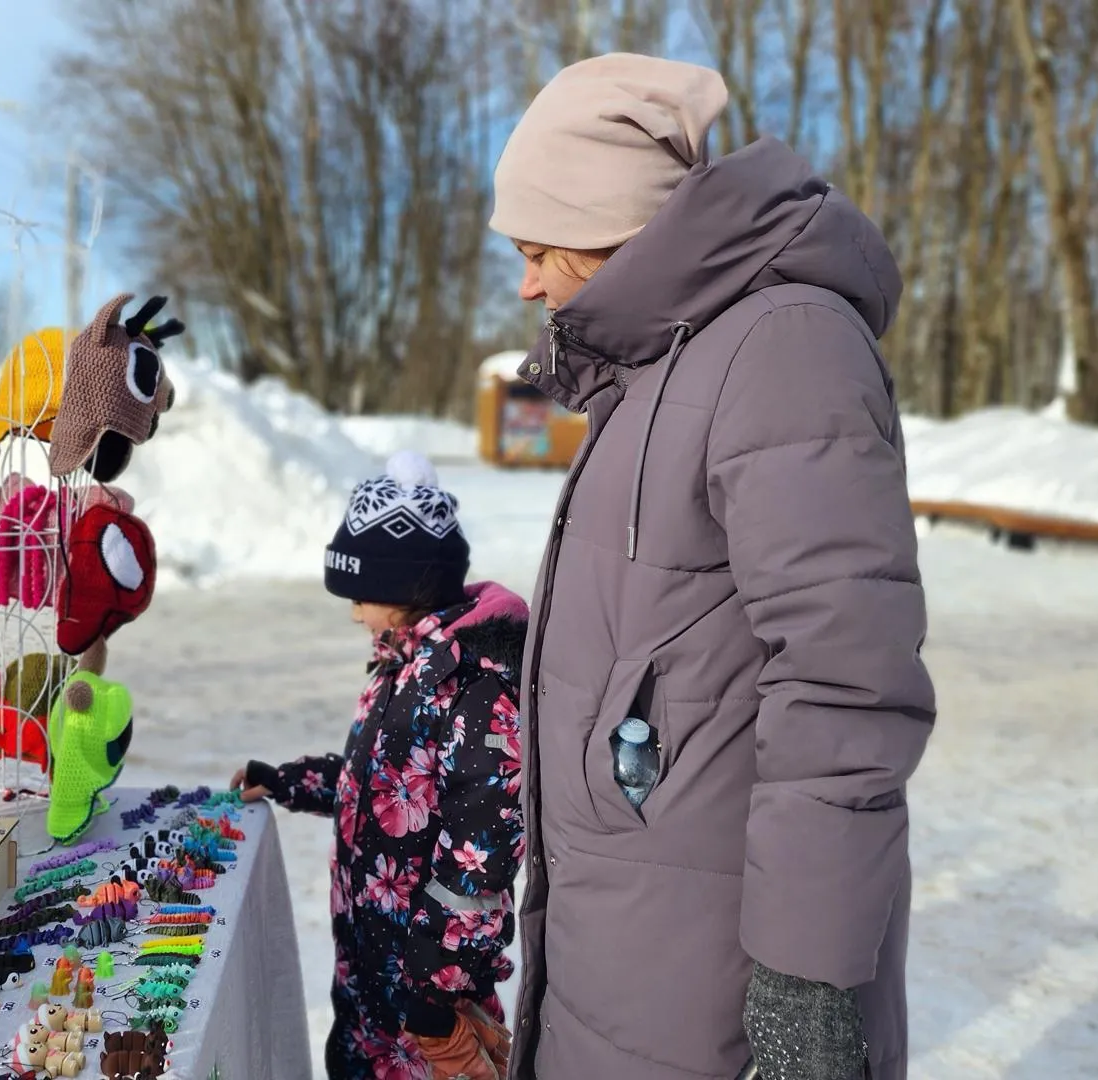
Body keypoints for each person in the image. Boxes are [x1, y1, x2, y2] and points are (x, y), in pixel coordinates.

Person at [488, 54, 936, 1080]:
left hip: (715, 977)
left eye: (538, 248)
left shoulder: (785, 347)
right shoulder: (658, 366)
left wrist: (806, 979)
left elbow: (845, 675)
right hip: (631, 941)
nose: (527, 283)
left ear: (608, 221)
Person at [233, 451, 527, 1080]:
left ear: (405, 590)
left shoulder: (476, 689)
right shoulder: (403, 664)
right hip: (369, 986)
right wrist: (291, 781)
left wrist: (435, 995)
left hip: (424, 1009)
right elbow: (383, 783)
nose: (353, 612)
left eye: (361, 595)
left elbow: (481, 857)